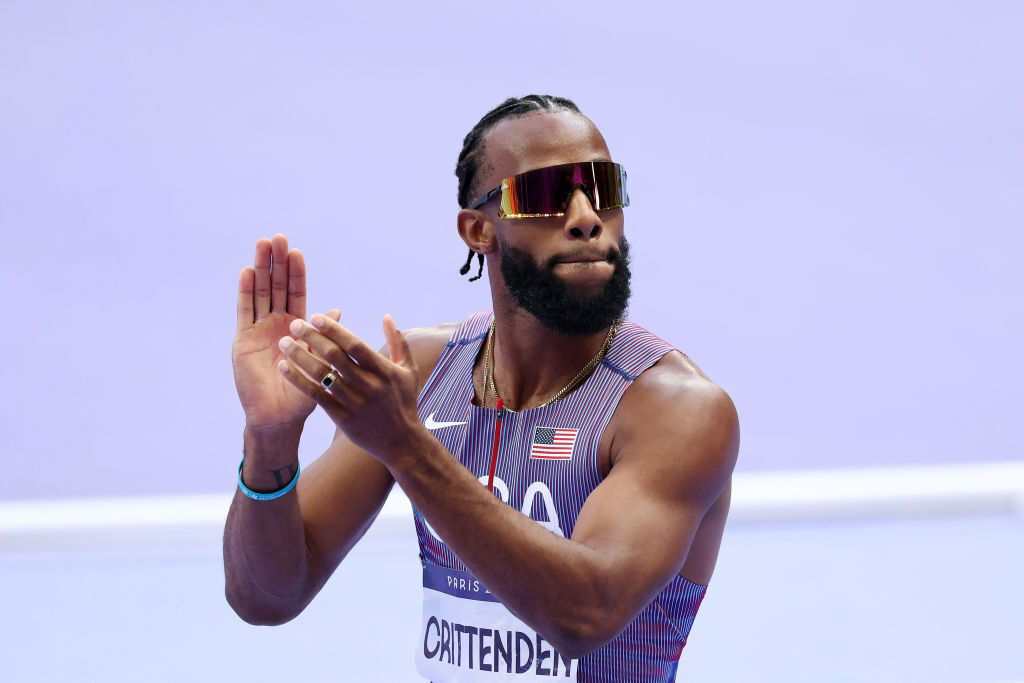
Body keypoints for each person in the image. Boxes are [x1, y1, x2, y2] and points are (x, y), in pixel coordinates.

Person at [224, 94, 740, 682]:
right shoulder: (422, 372)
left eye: (603, 188)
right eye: (544, 195)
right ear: (478, 230)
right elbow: (265, 598)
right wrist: (268, 438)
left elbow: (585, 614)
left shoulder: (675, 409)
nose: (585, 216)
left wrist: (406, 446)